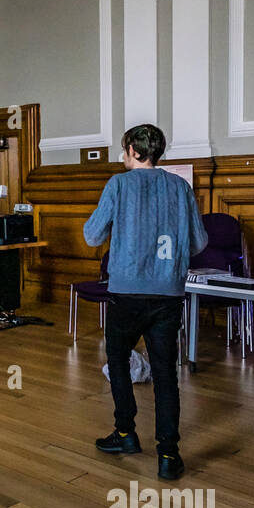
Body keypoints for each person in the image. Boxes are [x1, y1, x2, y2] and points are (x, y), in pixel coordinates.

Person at [83, 124, 208, 481]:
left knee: (119, 362)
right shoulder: (181, 187)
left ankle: (125, 434)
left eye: (124, 150)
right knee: (166, 373)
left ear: (134, 152)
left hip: (126, 291)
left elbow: (92, 235)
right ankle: (168, 454)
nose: (122, 156)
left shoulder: (118, 185)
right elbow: (198, 243)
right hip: (168, 292)